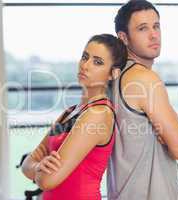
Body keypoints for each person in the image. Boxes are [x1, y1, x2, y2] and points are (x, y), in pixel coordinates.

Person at [21, 34, 127, 200]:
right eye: (85, 57)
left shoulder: (98, 114)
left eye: (97, 62)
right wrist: (38, 167)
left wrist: (36, 170)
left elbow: (47, 180)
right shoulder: (70, 111)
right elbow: (28, 161)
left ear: (113, 73)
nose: (85, 65)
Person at [107, 1, 178, 200]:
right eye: (142, 28)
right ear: (124, 38)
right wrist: (177, 135)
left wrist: (170, 134)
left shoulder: (115, 77)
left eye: (156, 26)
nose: (154, 35)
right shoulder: (144, 79)